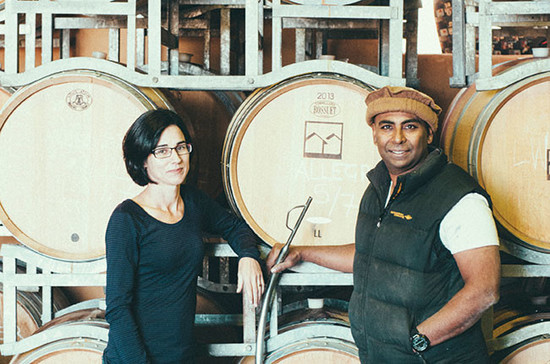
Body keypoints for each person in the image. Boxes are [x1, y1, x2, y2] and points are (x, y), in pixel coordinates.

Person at [267, 86, 500, 363]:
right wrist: (303, 252)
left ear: (428, 133)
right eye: (387, 127)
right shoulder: (380, 188)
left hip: (432, 357)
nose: (398, 138)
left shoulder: (460, 198)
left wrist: (418, 340)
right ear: (374, 134)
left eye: (410, 127)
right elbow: (371, 254)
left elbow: (484, 290)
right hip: (384, 354)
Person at [103, 109, 264, 364]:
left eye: (181, 147)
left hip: (183, 355)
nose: (176, 158)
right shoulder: (127, 219)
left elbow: (235, 227)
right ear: (143, 160)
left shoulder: (193, 202)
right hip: (136, 359)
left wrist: (248, 257)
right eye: (162, 151)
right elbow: (118, 307)